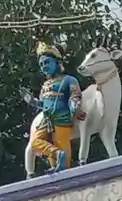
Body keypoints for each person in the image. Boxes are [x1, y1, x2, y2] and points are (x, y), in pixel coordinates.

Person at [22, 41, 80, 174]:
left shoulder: (69, 80)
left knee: (62, 164)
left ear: (57, 62)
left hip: (61, 118)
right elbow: (42, 103)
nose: (44, 67)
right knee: (35, 141)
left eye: (47, 62)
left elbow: (75, 95)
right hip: (46, 120)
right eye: (41, 64)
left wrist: (74, 105)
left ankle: (60, 169)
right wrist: (33, 102)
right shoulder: (45, 85)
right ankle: (57, 153)